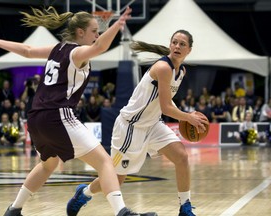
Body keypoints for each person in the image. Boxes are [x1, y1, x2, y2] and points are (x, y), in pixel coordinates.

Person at [0, 6, 157, 216]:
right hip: (58, 115)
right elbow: (101, 47)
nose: (98, 35)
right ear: (80, 32)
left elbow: (28, 51)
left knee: (48, 165)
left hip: (37, 118)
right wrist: (117, 26)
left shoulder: (58, 48)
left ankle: (14, 209)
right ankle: (122, 212)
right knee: (104, 162)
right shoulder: (76, 52)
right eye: (94, 31)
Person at [69, 30, 208, 216]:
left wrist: (186, 115)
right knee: (116, 180)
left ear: (189, 50)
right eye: (174, 42)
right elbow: (166, 107)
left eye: (182, 44)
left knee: (181, 157)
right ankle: (84, 193)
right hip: (130, 127)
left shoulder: (181, 71)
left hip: (152, 124)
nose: (177, 46)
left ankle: (185, 207)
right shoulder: (163, 67)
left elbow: (166, 99)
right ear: (170, 44)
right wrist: (188, 117)